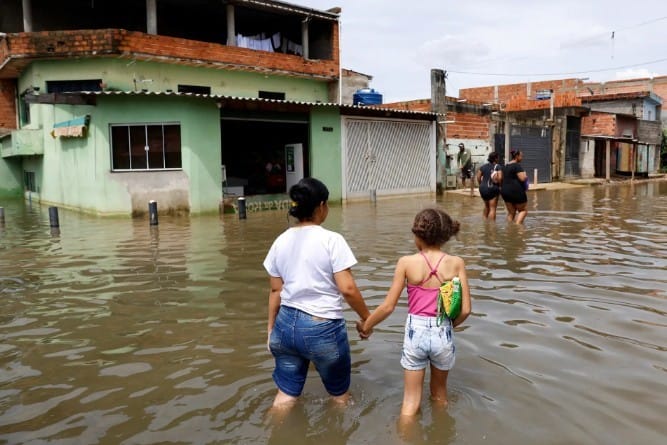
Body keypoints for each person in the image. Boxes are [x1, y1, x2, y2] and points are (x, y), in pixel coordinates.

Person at [263, 177, 371, 408]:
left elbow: (275, 290)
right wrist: (367, 318)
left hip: (285, 325)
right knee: (339, 397)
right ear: (321, 206)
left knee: (285, 396)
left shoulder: (280, 241)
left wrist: (271, 329)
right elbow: (348, 289)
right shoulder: (332, 240)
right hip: (322, 327)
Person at [357, 208, 472, 416]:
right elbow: (465, 310)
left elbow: (388, 307)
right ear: (445, 235)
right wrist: (447, 325)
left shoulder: (406, 263)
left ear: (418, 234)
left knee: (410, 403)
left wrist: (366, 325)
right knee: (439, 396)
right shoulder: (457, 263)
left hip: (415, 333)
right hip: (442, 331)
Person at [500, 149, 529, 224]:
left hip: (505, 191)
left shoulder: (505, 166)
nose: (522, 158)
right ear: (516, 156)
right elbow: (522, 178)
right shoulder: (517, 166)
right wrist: (525, 175)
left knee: (511, 213)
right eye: (521, 156)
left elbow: (501, 179)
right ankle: (517, 228)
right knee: (523, 211)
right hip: (516, 191)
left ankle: (509, 229)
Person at [475, 152, 503, 220]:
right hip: (492, 188)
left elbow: (478, 177)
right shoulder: (498, 166)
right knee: (492, 208)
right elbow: (500, 178)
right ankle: (491, 227)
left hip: (483, 188)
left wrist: (481, 184)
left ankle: (484, 223)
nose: (498, 159)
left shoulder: (483, 166)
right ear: (495, 158)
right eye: (498, 157)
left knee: (486, 206)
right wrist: (500, 186)